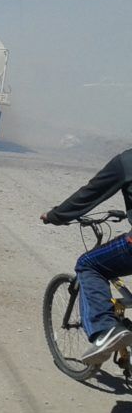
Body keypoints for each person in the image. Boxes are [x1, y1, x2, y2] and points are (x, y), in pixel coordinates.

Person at [41, 151, 132, 364]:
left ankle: (106, 331)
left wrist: (55, 216)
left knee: (89, 264)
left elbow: (90, 193)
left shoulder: (127, 161)